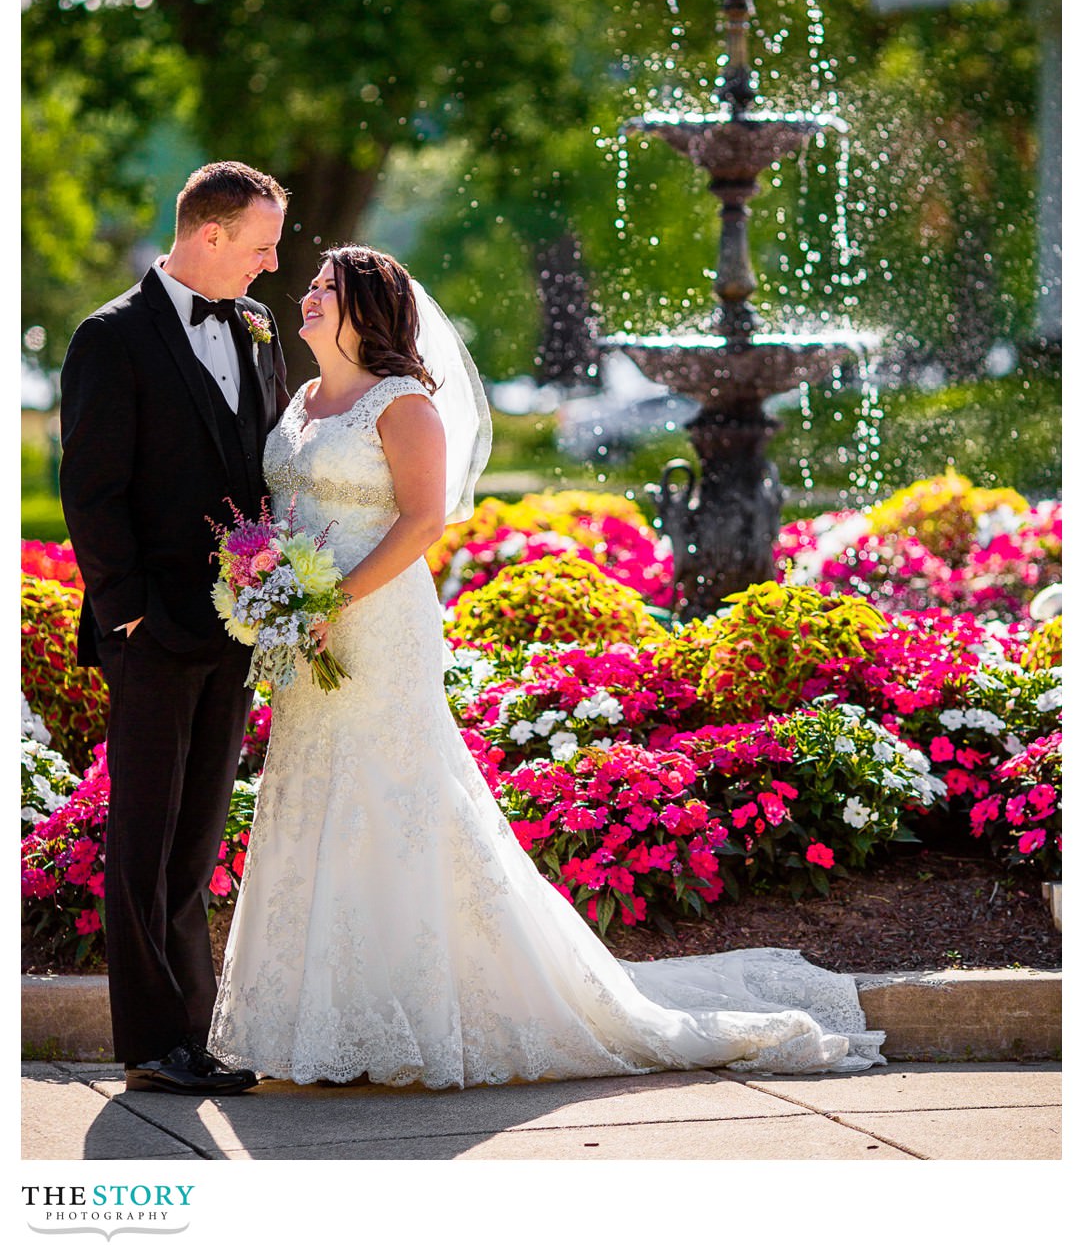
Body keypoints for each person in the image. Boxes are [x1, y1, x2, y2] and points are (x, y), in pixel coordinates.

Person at [209, 244, 885, 1086]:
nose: (304, 295)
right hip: (304, 629)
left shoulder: (403, 404)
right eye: (308, 284)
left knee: (391, 792)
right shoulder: (301, 398)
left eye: (324, 288)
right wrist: (269, 583)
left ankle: (422, 1014)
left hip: (373, 620)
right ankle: (326, 1020)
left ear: (365, 311)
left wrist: (330, 600)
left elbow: (422, 523)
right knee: (312, 790)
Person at [59, 161, 291, 1095]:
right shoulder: (109, 338)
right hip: (152, 630)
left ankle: (189, 1038)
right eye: (263, 245)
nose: (272, 265)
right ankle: (153, 1044)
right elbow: (92, 490)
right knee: (145, 836)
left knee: (195, 837)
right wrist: (131, 615)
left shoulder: (257, 326)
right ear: (211, 235)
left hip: (235, 628)